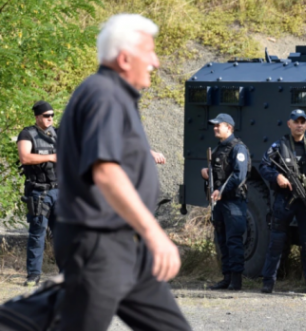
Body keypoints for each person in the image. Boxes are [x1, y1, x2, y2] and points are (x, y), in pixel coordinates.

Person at [54, 14, 191, 331]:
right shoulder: (105, 95)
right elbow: (105, 172)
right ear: (125, 58)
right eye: (150, 53)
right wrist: (154, 233)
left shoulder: (113, 95)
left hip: (123, 244)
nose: (156, 62)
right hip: (98, 243)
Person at [259, 109, 306, 295]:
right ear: (289, 124)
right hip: (284, 200)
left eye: (302, 121)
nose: (299, 124)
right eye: (295, 121)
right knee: (276, 242)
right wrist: (277, 177)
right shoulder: (278, 146)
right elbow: (264, 166)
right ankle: (268, 282)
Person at [200, 113, 251, 291]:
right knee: (222, 240)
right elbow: (219, 173)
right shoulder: (218, 149)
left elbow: (239, 175)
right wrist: (206, 173)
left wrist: (221, 191)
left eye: (218, 125)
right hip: (220, 203)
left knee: (233, 241)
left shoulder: (238, 149)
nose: (215, 128)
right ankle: (227, 277)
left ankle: (236, 281)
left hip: (234, 202)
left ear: (228, 127)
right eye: (214, 125)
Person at [17, 101, 59, 287]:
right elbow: (25, 157)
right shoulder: (27, 134)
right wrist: (50, 157)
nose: (50, 118)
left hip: (59, 190)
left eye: (52, 115)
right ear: (37, 116)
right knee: (37, 233)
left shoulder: (58, 134)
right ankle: (33, 274)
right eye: (46, 115)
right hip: (38, 191)